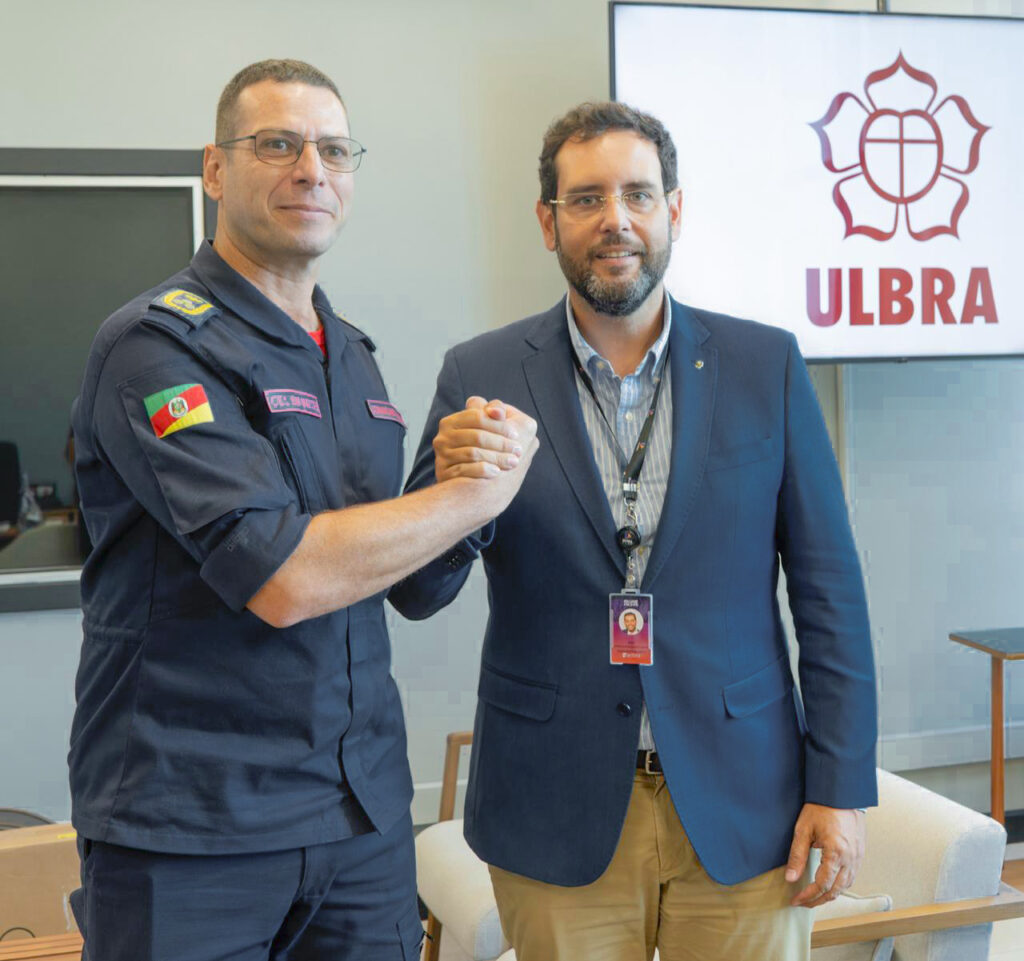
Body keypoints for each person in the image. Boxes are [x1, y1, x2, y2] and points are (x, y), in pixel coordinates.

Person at [67, 59, 536, 961]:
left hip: (358, 815)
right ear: (214, 169)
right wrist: (468, 494)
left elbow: (411, 587)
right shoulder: (156, 348)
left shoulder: (352, 356)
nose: (309, 169)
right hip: (194, 825)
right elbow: (284, 577)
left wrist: (466, 493)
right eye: (276, 144)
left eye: (332, 149)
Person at [389, 101, 877, 961]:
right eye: (585, 199)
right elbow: (418, 593)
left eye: (638, 195)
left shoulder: (764, 365)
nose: (615, 219)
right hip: (554, 803)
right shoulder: (483, 373)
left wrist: (838, 787)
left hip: (744, 802)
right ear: (549, 221)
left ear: (673, 211)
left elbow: (829, 590)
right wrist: (460, 493)